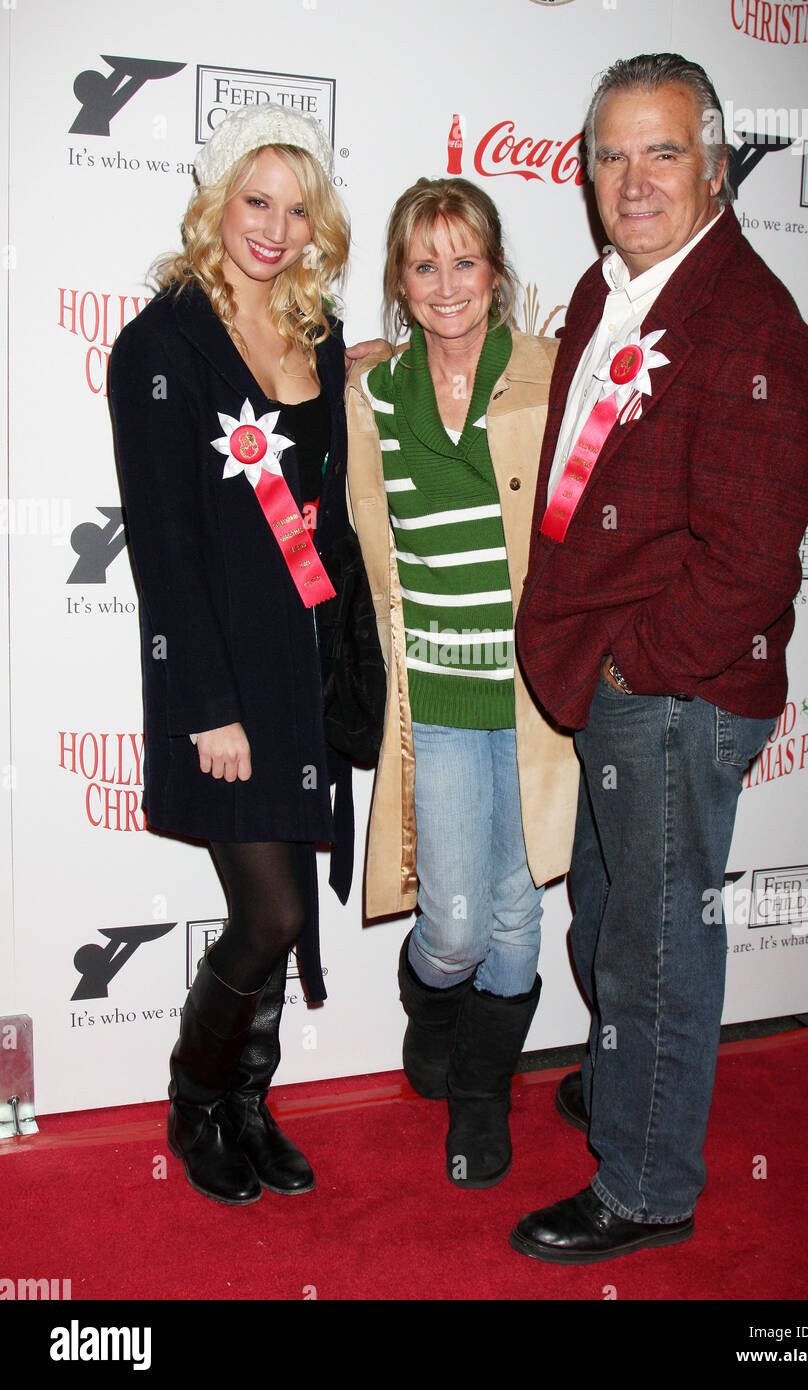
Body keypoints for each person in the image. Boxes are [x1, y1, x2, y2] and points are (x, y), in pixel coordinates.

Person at [511, 54, 808, 1262]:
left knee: (652, 944)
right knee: (605, 917)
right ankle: (630, 1070)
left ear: (715, 165)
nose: (633, 179)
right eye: (611, 155)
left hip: (674, 689)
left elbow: (751, 562)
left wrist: (641, 669)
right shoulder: (607, 294)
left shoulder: (749, 320)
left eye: (663, 152)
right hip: (608, 673)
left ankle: (648, 1184)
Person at [109, 104, 353, 1206]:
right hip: (221, 679)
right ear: (216, 202)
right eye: (258, 200)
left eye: (299, 207)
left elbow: (330, 512)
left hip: (301, 664)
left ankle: (253, 1103)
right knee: (274, 916)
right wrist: (208, 704)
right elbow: (162, 544)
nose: (278, 228)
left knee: (290, 898)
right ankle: (198, 1094)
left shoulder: (319, 331)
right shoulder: (161, 344)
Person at [346, 178, 579, 1188]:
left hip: (530, 698)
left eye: (466, 261)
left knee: (519, 917)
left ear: (497, 272)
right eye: (424, 264)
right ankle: (429, 999)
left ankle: (483, 1101)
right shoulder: (375, 393)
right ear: (400, 280)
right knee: (450, 926)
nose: (448, 285)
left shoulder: (548, 372)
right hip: (435, 695)